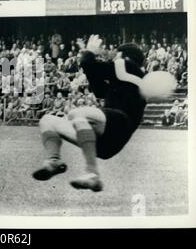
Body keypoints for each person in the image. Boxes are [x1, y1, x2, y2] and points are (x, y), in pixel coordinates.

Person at [32, 35, 147, 192]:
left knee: (76, 114)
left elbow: (91, 65)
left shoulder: (126, 64)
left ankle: (92, 173)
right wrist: (87, 56)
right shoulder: (130, 80)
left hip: (120, 122)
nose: (114, 57)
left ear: (125, 56)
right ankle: (54, 161)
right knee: (47, 120)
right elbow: (99, 89)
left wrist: (90, 52)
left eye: (116, 54)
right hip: (107, 142)